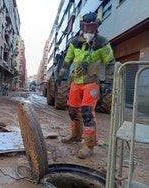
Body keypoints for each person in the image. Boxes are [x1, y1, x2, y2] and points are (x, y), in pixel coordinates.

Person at [59, 12, 115, 159]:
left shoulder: (102, 43)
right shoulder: (74, 42)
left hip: (91, 83)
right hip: (76, 82)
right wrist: (62, 72)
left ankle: (89, 144)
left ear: (96, 27)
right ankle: (76, 136)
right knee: (72, 110)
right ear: (82, 27)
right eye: (86, 27)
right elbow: (68, 59)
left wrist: (109, 82)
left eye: (92, 27)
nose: (89, 30)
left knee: (87, 112)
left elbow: (110, 63)